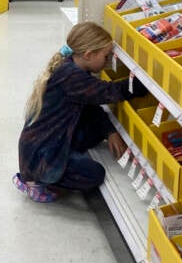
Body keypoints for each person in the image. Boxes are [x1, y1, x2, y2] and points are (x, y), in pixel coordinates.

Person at [15, 21, 147, 202]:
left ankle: (50, 167)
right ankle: (36, 180)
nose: (107, 61)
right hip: (41, 156)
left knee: (95, 131)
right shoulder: (72, 77)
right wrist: (146, 81)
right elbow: (110, 92)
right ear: (88, 55)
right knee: (94, 174)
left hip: (44, 143)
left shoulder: (70, 67)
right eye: (106, 56)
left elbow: (90, 105)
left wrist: (110, 131)